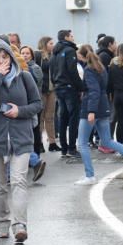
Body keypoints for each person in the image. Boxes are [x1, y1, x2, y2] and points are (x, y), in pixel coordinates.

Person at [0, 38, 42, 243]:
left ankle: (20, 225)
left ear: (12, 58)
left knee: (19, 181)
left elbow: (37, 104)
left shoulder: (24, 78)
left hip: (20, 138)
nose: (1, 61)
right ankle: (2, 223)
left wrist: (19, 111)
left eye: (5, 57)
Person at [73, 44, 123, 185]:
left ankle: (90, 176)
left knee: (82, 143)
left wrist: (91, 111)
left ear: (81, 56)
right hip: (103, 107)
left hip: (91, 109)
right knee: (107, 140)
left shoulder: (89, 70)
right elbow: (102, 89)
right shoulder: (100, 67)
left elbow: (94, 91)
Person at [49, 29, 84, 158]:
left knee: (63, 118)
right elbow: (73, 71)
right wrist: (81, 87)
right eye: (72, 36)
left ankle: (64, 149)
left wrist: (56, 84)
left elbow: (52, 72)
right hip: (69, 88)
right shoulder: (69, 51)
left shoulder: (55, 52)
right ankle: (72, 148)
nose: (73, 38)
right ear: (66, 37)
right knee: (73, 118)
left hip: (59, 87)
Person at [19, 45, 47, 181]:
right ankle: (34, 160)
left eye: (27, 53)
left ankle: (35, 160)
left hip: (30, 106)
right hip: (25, 107)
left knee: (28, 135)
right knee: (22, 138)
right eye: (22, 53)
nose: (24, 55)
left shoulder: (33, 69)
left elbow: (36, 85)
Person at [36, 36, 58, 152]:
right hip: (41, 90)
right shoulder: (38, 55)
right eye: (50, 43)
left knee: (50, 117)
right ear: (44, 44)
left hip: (52, 90)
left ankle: (52, 142)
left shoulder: (53, 56)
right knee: (40, 117)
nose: (52, 45)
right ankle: (39, 142)